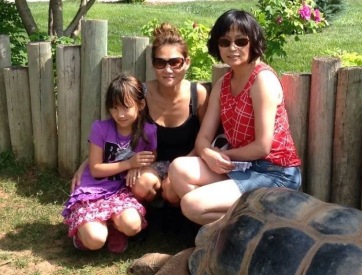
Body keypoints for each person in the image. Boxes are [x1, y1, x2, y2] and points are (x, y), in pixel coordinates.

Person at [168, 9, 302, 225]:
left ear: (253, 42)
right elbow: (203, 138)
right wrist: (207, 153)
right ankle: (241, 227)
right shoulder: (223, 84)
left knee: (191, 205)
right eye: (225, 41)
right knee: (178, 168)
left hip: (274, 173)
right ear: (217, 45)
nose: (233, 48)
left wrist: (223, 155)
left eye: (241, 41)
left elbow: (262, 147)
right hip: (240, 165)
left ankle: (252, 230)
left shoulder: (262, 81)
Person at [71, 23, 208, 207]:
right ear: (153, 65)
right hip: (151, 164)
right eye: (161, 62)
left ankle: (178, 219)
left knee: (172, 188)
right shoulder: (142, 93)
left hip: (189, 160)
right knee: (141, 185)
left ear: (187, 62)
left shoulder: (197, 94)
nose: (168, 70)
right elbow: (115, 128)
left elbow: (207, 138)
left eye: (175, 62)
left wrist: (178, 171)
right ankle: (150, 215)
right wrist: (87, 164)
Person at [62, 74, 158, 253]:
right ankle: (83, 230)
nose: (119, 114)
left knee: (132, 225)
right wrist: (129, 164)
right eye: (114, 108)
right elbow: (96, 169)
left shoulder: (148, 131)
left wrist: (139, 165)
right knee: (95, 241)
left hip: (119, 191)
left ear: (141, 105)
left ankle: (114, 226)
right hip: (93, 190)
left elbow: (152, 157)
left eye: (126, 107)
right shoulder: (100, 128)